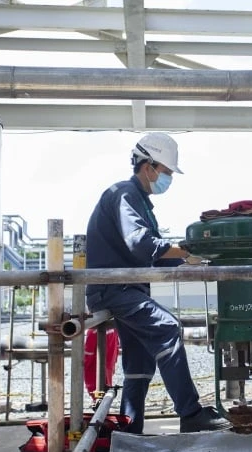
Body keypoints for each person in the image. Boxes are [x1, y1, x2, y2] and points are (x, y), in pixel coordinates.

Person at [85, 132, 231, 434]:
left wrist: (192, 260)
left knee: (139, 363)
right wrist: (187, 250)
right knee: (167, 328)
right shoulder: (125, 194)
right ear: (148, 166)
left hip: (127, 288)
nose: (168, 179)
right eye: (166, 172)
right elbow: (141, 244)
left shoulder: (138, 200)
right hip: (115, 289)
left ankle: (130, 429)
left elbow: (155, 256)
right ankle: (190, 413)